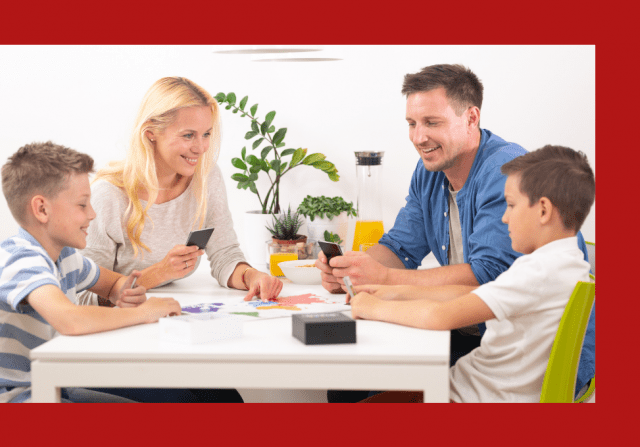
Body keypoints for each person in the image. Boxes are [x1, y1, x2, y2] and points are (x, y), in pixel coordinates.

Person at [318, 64, 594, 402]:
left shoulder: (508, 174)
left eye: (432, 123)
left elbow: (485, 278)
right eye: (412, 124)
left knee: (361, 387)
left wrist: (384, 285)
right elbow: (400, 245)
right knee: (350, 381)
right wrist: (354, 269)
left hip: (503, 357)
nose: (419, 137)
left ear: (471, 118)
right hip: (483, 341)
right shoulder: (431, 169)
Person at [349, 145, 595, 402]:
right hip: (474, 390)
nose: (504, 218)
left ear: (543, 210)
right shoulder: (568, 264)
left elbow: (440, 316)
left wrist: (371, 307)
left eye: (511, 205)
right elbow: (473, 294)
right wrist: (391, 293)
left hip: (470, 397)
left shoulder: (538, 272)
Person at [0, 142, 207, 403]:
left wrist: (122, 292)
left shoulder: (65, 256)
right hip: (17, 399)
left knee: (198, 395)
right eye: (82, 205)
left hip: (56, 385)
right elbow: (69, 320)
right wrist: (142, 313)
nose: (92, 214)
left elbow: (113, 284)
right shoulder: (19, 258)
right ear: (42, 209)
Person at [79, 77, 282, 309]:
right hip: (117, 323)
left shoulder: (205, 177)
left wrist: (251, 277)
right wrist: (157, 274)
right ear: (150, 133)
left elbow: (225, 253)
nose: (201, 147)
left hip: (172, 311)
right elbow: (85, 297)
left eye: (206, 134)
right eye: (188, 135)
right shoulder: (108, 196)